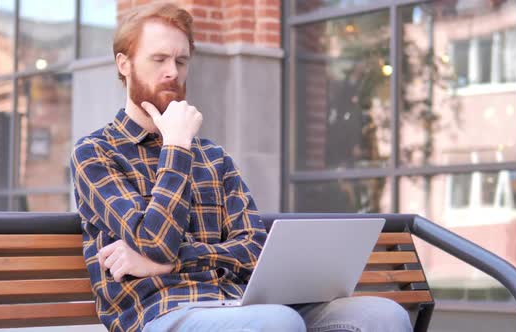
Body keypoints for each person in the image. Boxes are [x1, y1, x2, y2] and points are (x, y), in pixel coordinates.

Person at [70, 3, 413, 332]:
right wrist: (175, 147)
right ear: (124, 64)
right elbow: (154, 240)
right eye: (159, 58)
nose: (172, 71)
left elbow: (253, 249)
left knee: (383, 315)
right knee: (278, 322)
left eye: (181, 60)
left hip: (238, 304)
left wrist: (175, 261)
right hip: (162, 312)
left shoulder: (214, 157)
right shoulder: (96, 154)